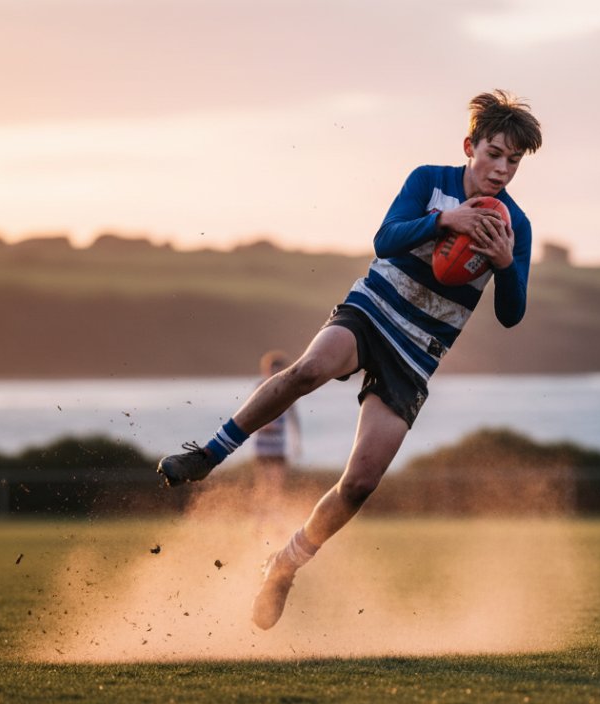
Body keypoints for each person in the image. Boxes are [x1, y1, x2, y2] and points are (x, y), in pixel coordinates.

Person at [158, 89, 542, 629]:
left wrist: (504, 265)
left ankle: (285, 565)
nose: (501, 168)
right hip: (373, 309)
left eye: (513, 161)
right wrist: (443, 223)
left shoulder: (515, 227)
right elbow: (385, 240)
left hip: (418, 351)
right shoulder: (429, 181)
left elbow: (511, 314)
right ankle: (209, 453)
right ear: (469, 146)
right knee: (310, 369)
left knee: (360, 483)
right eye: (494, 154)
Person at [251, 350, 301, 503]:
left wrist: (297, 442)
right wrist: (262, 425)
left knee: (277, 486)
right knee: (262, 484)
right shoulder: (260, 386)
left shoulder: (289, 389)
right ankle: (260, 520)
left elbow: (294, 417)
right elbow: (251, 413)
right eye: (274, 369)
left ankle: (275, 519)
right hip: (262, 445)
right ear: (267, 370)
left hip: (278, 445)